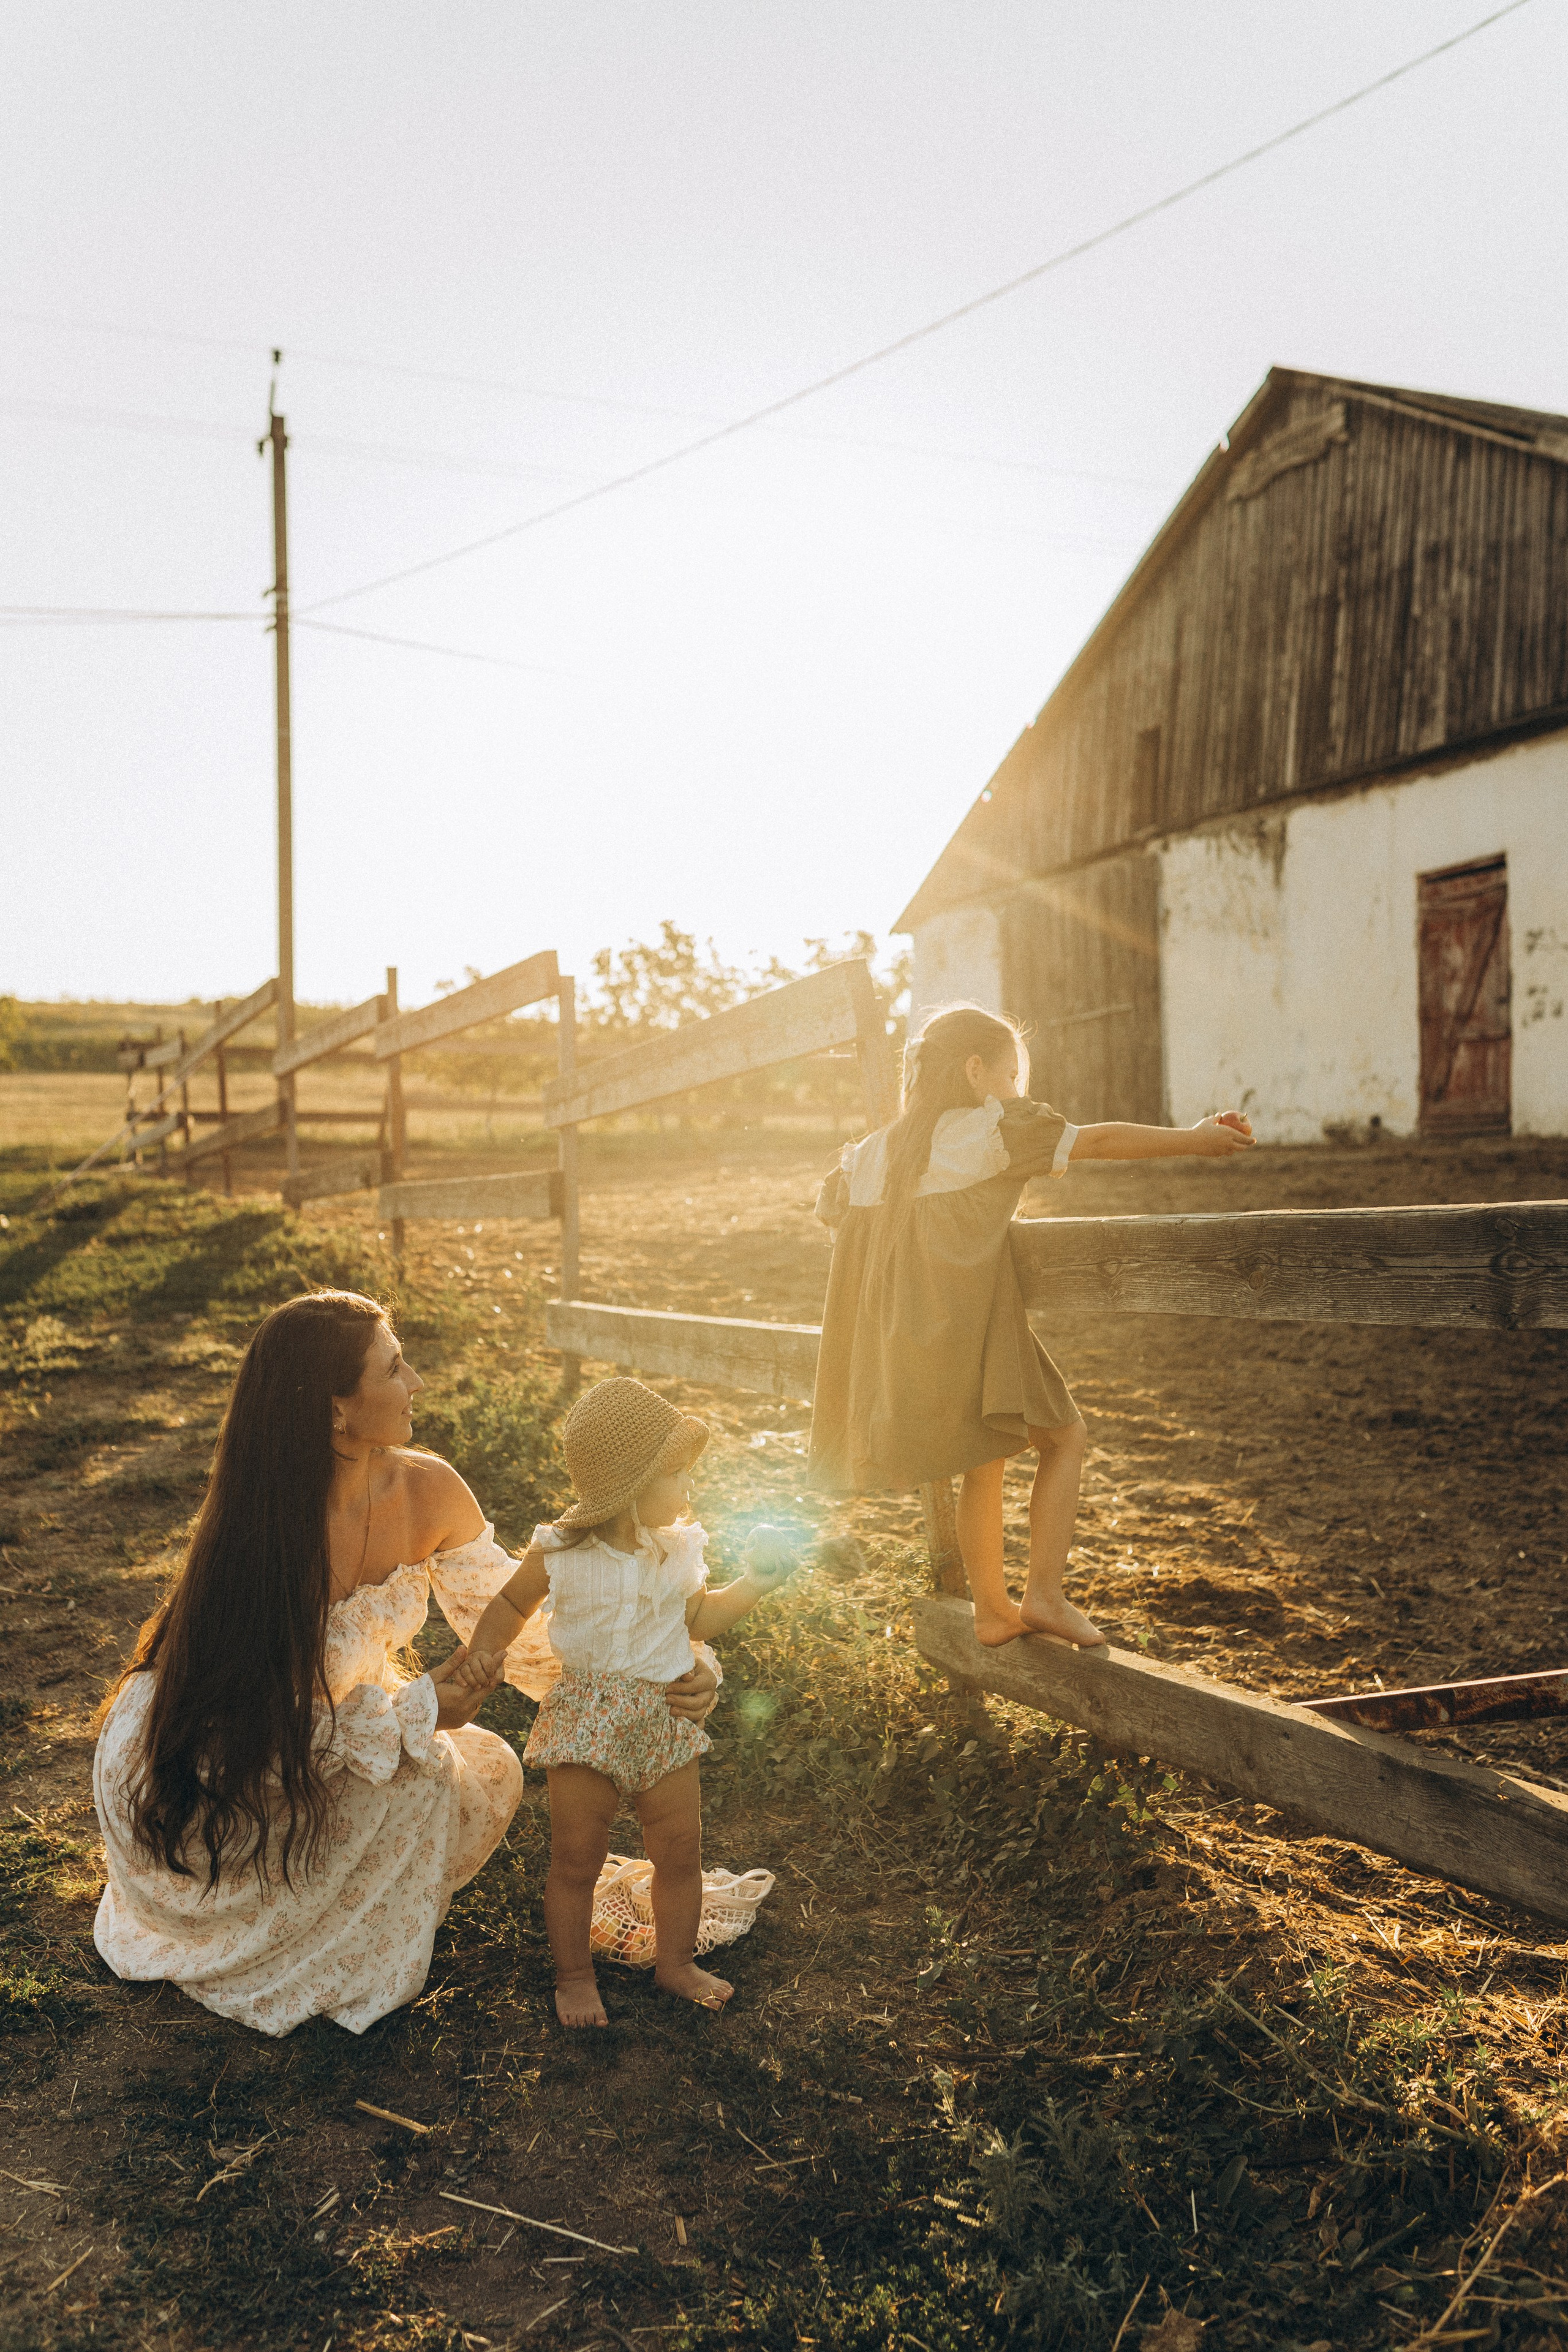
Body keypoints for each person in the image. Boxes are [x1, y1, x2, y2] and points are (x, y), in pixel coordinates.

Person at [91, 1291, 717, 2037]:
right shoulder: (264, 1532)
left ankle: (341, 1904)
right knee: (424, 1774)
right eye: (394, 1368)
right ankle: (283, 1927)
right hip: (226, 1760)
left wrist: (677, 1667)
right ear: (335, 1411)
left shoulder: (427, 1488)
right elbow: (259, 1730)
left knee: (475, 1767)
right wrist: (422, 1711)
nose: (416, 1381)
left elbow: (525, 1633)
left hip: (343, 1731)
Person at [807, 1003, 1253, 1648]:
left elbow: (830, 1211)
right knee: (1065, 1439)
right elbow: (1096, 1140)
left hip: (899, 1346)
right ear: (974, 1070)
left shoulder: (873, 1153)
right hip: (967, 1325)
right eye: (1011, 1074)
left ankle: (992, 1612)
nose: (1018, 1088)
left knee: (983, 1461)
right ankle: (1043, 1593)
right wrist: (1195, 1137)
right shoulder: (996, 1128)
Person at [459, 1375, 796, 2029]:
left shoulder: (675, 1550)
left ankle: (674, 1964)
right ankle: (574, 1976)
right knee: (576, 1858)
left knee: (679, 1850)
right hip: (586, 1720)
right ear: (632, 1483)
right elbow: (507, 1603)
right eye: (678, 1475)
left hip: (665, 1719)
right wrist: (487, 1649)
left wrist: (753, 1585)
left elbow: (699, 1618)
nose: (689, 1489)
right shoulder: (560, 1549)